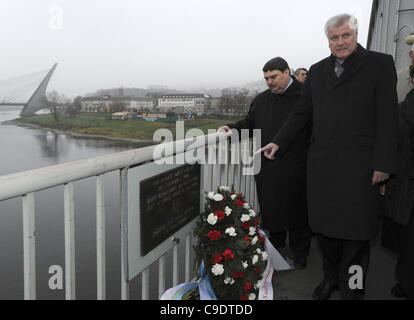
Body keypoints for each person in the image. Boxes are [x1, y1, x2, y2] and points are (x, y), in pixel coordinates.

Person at [258, 14, 399, 300]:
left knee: (357, 237)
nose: (340, 42)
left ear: (356, 35)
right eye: (334, 38)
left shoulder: (380, 64)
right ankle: (331, 279)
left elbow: (388, 118)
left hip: (362, 167)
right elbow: (301, 113)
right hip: (322, 166)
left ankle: (354, 287)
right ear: (328, 41)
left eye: (345, 35)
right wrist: (278, 142)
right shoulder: (318, 70)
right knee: (325, 233)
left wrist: (384, 164)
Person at [218, 57, 312, 269]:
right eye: (266, 78)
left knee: (299, 212)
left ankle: (300, 254)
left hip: (298, 164)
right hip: (268, 165)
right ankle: (275, 250)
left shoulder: (306, 95)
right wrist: (230, 128)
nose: (269, 82)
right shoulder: (261, 100)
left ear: (288, 72)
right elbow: (249, 124)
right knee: (272, 209)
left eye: (274, 76)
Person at [381, 42, 414, 299]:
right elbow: (395, 136)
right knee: (406, 239)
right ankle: (406, 280)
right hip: (405, 180)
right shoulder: (406, 99)